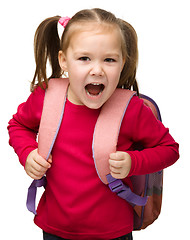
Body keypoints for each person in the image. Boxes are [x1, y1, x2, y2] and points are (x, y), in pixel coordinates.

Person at [7, 8, 179, 240]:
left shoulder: (132, 109)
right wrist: (27, 153)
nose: (97, 69)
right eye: (84, 58)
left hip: (113, 231)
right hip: (55, 227)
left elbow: (169, 149)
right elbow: (18, 125)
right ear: (64, 60)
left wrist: (134, 162)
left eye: (109, 60)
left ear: (122, 63)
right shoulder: (45, 97)